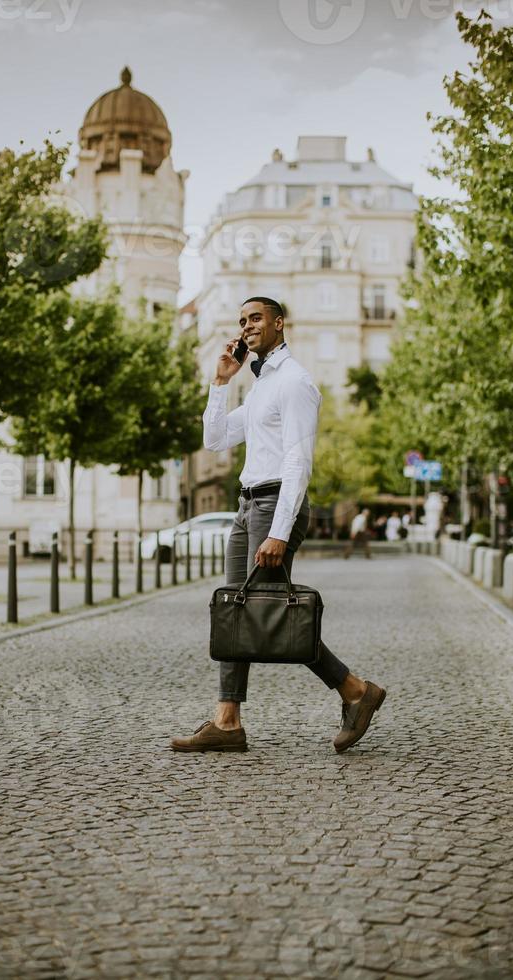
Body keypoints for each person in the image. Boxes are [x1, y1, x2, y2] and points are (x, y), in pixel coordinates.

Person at [170, 297, 386, 754]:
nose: (247, 326)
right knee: (234, 610)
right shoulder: (260, 386)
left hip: (274, 507)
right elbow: (214, 440)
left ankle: (355, 690)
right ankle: (227, 722)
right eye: (242, 320)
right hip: (247, 506)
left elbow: (298, 460)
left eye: (256, 318)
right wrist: (220, 382)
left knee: (273, 615)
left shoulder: (295, 382)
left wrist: (279, 530)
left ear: (278, 323)